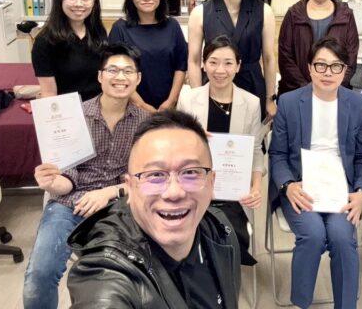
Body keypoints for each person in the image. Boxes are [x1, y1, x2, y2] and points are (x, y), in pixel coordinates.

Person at [67, 110, 241, 308]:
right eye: (155, 175)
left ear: (211, 182)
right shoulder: (105, 273)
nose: (174, 192)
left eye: (191, 172)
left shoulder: (220, 230)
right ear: (130, 187)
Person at [23, 44, 149, 309]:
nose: (120, 77)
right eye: (112, 70)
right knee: (39, 276)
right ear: (100, 76)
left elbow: (146, 179)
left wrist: (108, 193)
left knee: (116, 280)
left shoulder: (145, 123)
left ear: (138, 79)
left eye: (128, 71)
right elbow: (66, 178)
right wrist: (51, 181)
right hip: (71, 203)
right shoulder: (73, 115)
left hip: (120, 207)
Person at [269, 36, 362, 309]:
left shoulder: (358, 104)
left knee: (342, 238)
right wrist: (288, 186)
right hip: (301, 186)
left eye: (336, 66)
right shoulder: (289, 102)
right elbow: (277, 154)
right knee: (313, 235)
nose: (328, 73)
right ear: (309, 68)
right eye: (321, 65)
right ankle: (301, 303)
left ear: (346, 70)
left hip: (341, 189)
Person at [177, 35, 265, 266]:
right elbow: (177, 147)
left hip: (232, 191)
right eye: (213, 62)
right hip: (194, 187)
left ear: (238, 66)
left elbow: (255, 149)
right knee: (191, 229)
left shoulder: (251, 103)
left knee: (227, 233)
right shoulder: (188, 100)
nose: (220, 70)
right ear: (203, 64)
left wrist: (256, 187)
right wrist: (193, 139)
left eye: (228, 63)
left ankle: (221, 272)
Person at [187, 0, 277, 120]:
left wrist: (270, 98)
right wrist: (197, 98)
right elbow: (194, 60)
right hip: (214, 86)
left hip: (252, 86)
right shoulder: (200, 13)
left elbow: (268, 58)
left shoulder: (264, 10)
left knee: (250, 136)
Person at [277, 0, 359, 95]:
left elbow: (350, 60)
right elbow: (285, 59)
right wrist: (309, 90)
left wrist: (330, 87)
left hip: (335, 94)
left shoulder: (346, 15)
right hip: (297, 93)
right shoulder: (293, 14)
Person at [109, 0, 188, 113]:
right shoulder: (120, 28)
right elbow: (116, 73)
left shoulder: (172, 26)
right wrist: (141, 105)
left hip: (168, 108)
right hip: (131, 108)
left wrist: (171, 101)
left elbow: (180, 66)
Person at [32, 0, 107, 101]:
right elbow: (49, 94)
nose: (78, 4)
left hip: (101, 105)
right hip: (69, 108)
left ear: (94, 1)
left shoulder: (98, 32)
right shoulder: (44, 41)